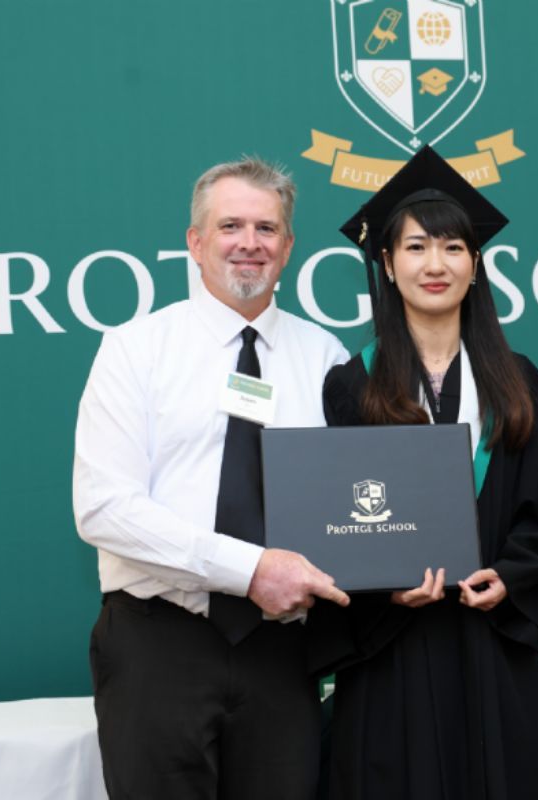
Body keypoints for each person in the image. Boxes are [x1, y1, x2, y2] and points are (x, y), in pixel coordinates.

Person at [73, 157, 351, 799]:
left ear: (288, 247)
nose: (249, 242)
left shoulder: (327, 358)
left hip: (282, 656)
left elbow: (350, 502)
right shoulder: (135, 350)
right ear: (195, 243)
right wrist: (249, 571)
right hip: (158, 644)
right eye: (230, 226)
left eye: (266, 228)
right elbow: (102, 508)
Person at [311, 145, 538, 799]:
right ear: (387, 264)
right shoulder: (352, 386)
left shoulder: (520, 383)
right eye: (417, 247)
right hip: (393, 646)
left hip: (491, 641)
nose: (436, 264)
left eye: (454, 247)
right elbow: (335, 520)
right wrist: (386, 588)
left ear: (475, 265)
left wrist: (509, 576)